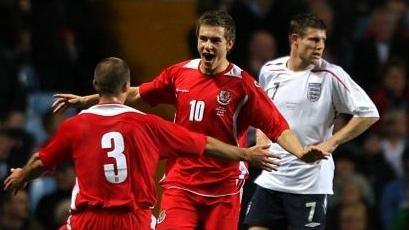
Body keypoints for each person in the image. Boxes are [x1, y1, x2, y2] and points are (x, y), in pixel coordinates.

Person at [52, 11, 327, 229]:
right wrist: (87, 100)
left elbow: (278, 126)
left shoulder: (243, 86)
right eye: (203, 39)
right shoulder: (179, 73)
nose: (207, 46)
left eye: (215, 40)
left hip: (224, 188)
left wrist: (302, 152)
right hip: (180, 182)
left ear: (229, 44)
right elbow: (137, 93)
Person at [3, 57, 283, 230]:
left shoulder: (76, 125)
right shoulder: (147, 124)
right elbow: (204, 143)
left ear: (95, 84)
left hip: (89, 219)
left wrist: (22, 175)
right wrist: (244, 153)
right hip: (133, 220)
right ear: (126, 87)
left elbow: (42, 160)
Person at [243, 14, 379, 230]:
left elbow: (369, 113)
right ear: (295, 39)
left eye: (323, 40)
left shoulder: (331, 75)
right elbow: (264, 112)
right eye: (314, 40)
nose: (320, 46)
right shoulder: (270, 71)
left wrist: (331, 143)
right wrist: (261, 141)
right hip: (272, 178)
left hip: (308, 183)